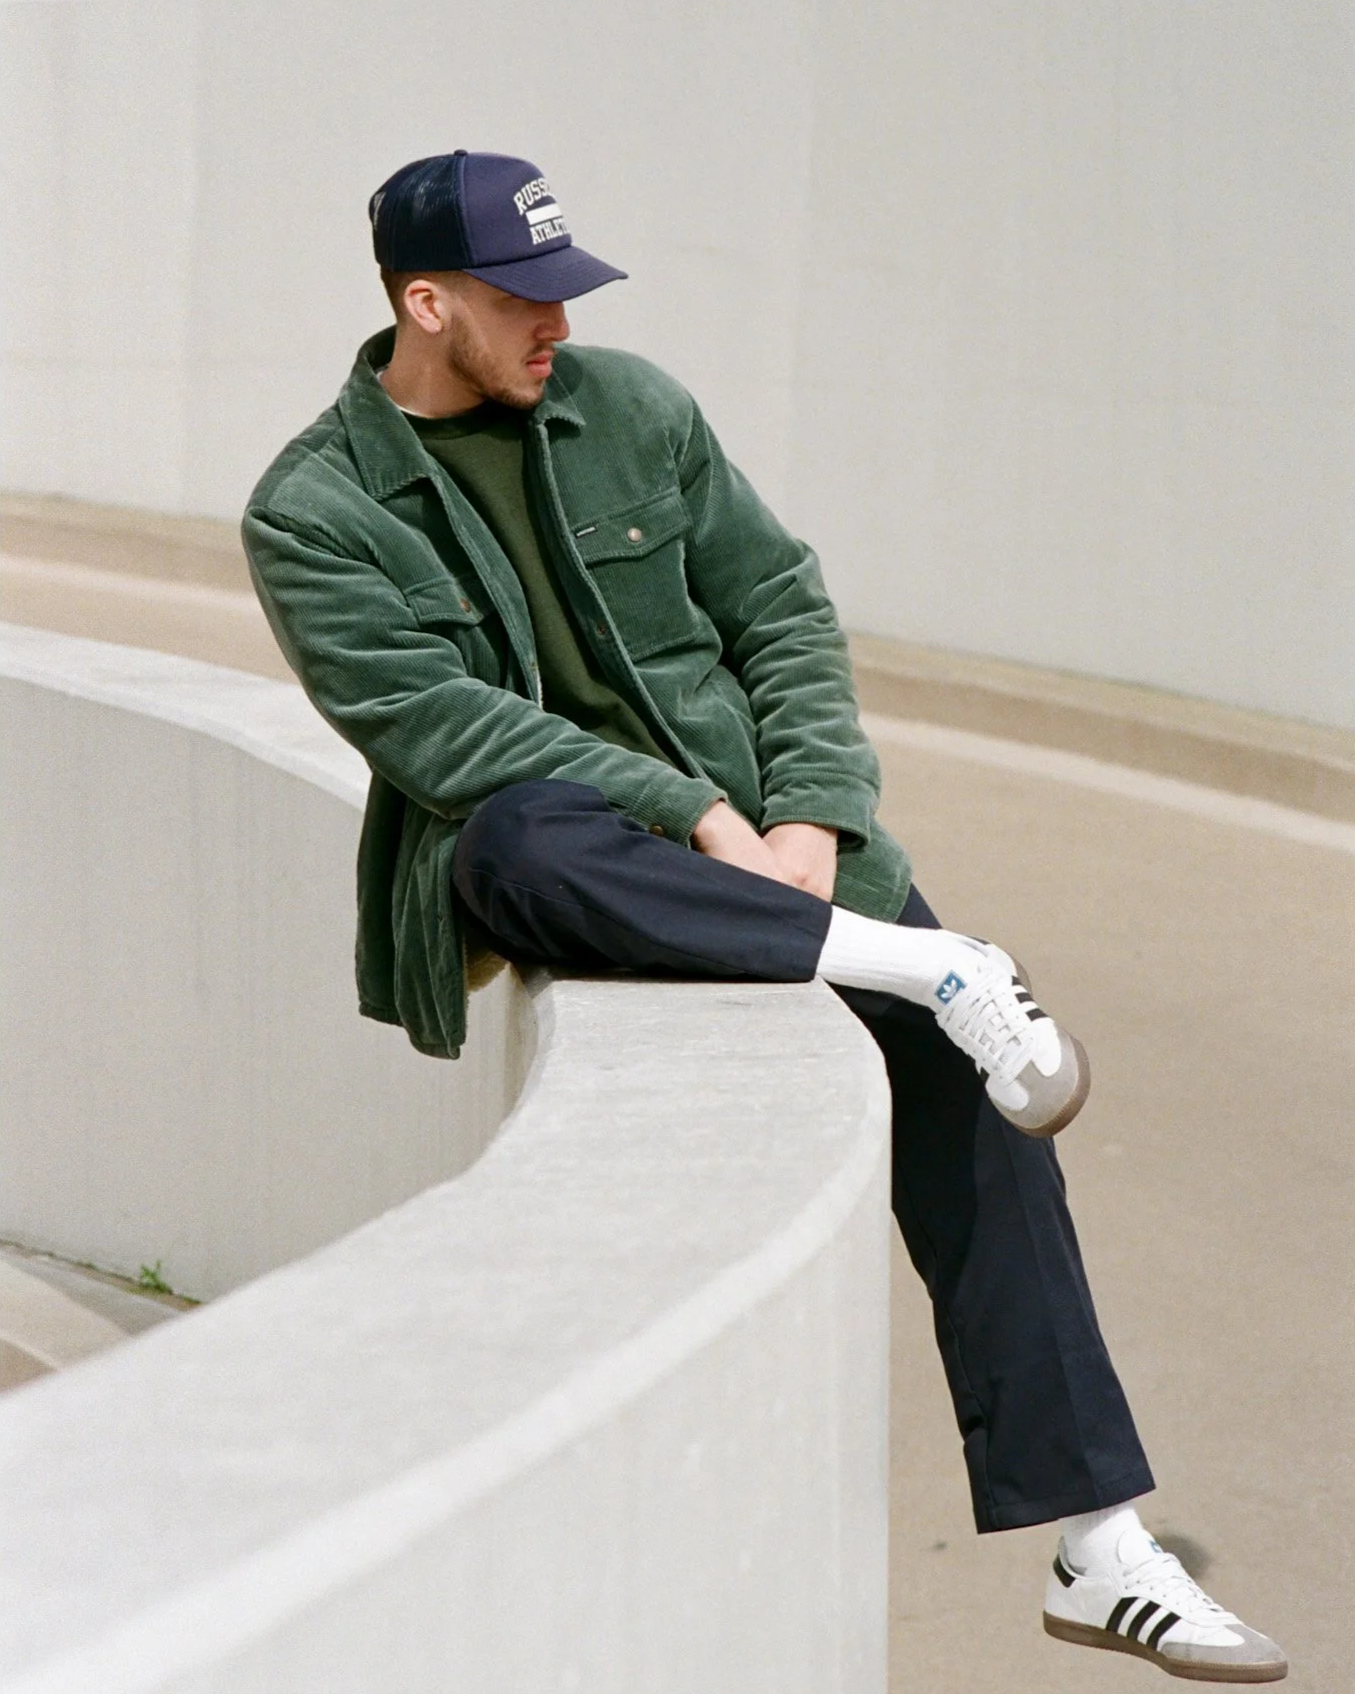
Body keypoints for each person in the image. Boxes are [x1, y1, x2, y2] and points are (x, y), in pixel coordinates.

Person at [243, 149, 1286, 1683]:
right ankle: (933, 966)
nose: (556, 323)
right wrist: (698, 819)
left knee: (985, 1129)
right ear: (425, 302)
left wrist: (804, 814)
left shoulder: (636, 411)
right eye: (522, 297)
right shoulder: (315, 508)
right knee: (513, 837)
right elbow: (439, 732)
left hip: (789, 859)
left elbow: (778, 608)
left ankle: (1099, 1546)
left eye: (564, 291)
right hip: (586, 860)